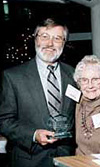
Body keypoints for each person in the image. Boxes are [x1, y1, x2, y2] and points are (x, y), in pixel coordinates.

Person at [0, 17, 77, 167]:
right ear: (35, 40)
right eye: (44, 36)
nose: (50, 43)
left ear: (64, 42)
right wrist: (33, 135)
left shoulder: (74, 75)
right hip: (29, 160)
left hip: (67, 159)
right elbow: (4, 121)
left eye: (57, 38)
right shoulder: (13, 77)